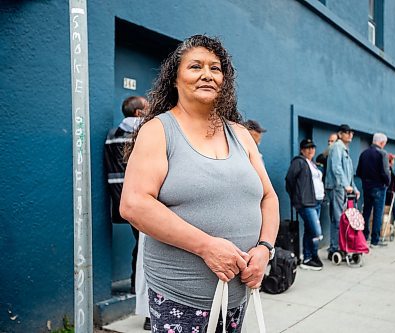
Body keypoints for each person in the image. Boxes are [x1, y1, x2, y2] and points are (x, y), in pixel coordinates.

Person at [120, 35, 279, 332]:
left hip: (237, 295)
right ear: (175, 80)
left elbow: (269, 197)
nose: (207, 74)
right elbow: (134, 204)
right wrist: (207, 247)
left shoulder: (240, 134)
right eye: (195, 67)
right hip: (180, 298)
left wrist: (265, 248)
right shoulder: (158, 131)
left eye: (215, 68)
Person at [104, 96, 151, 330]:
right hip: (144, 203)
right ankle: (149, 310)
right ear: (139, 114)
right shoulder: (144, 134)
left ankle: (136, 289)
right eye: (148, 106)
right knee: (149, 253)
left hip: (123, 201)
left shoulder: (113, 134)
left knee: (142, 249)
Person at [285, 138, 325, 270]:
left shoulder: (312, 163)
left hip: (317, 201)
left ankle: (307, 259)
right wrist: (296, 198)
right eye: (307, 148)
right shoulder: (299, 162)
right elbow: (289, 180)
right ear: (302, 150)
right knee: (316, 231)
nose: (311, 150)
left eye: (312, 147)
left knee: (309, 230)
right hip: (306, 203)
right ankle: (313, 255)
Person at [325, 124, 359, 260]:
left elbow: (349, 174)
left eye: (351, 132)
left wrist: (354, 188)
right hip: (337, 188)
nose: (350, 135)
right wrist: (345, 185)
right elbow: (336, 168)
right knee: (338, 219)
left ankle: (340, 246)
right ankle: (335, 248)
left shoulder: (344, 149)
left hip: (343, 188)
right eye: (346, 132)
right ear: (340, 134)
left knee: (342, 219)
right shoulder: (337, 147)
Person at [356, 133, 390, 247]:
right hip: (379, 186)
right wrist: (387, 182)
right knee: (377, 213)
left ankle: (364, 236)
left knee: (366, 211)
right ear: (381, 143)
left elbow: (358, 172)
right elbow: (385, 172)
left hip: (366, 186)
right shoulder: (382, 153)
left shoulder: (363, 153)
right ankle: (375, 240)